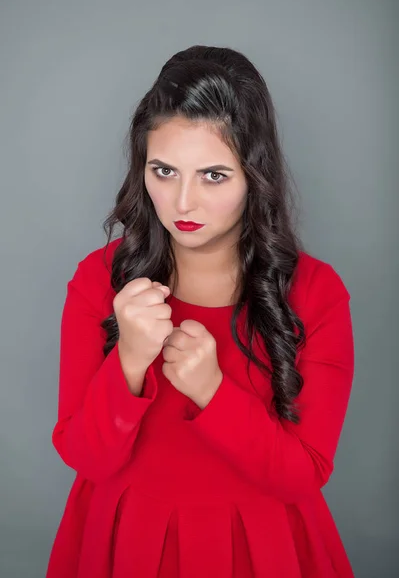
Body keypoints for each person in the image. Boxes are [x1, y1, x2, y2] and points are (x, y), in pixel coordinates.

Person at [46, 45, 355, 578]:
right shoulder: (100, 280)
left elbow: (305, 472)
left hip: (261, 547)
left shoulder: (315, 292)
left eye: (213, 176)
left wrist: (214, 392)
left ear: (254, 177)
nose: (182, 203)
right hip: (127, 541)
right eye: (163, 171)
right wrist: (128, 362)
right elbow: (86, 458)